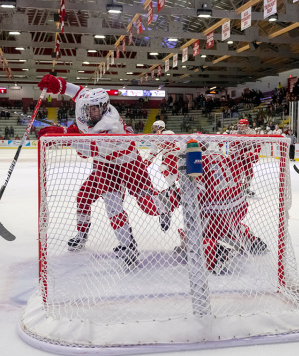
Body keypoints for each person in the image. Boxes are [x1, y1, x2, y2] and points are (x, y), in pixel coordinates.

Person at [37, 74, 178, 268]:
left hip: (128, 162)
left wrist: (64, 135)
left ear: (104, 107)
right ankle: (127, 245)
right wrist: (58, 84)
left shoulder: (109, 125)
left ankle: (171, 199)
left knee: (148, 205)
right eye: (87, 109)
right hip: (104, 165)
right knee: (108, 205)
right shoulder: (88, 103)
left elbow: (88, 151)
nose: (89, 114)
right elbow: (75, 91)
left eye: (93, 110)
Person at [175, 142, 268, 274]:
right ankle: (249, 239)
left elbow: (198, 192)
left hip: (215, 215)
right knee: (227, 225)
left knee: (192, 233)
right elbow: (239, 177)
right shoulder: (224, 156)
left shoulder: (197, 159)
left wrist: (182, 197)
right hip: (239, 208)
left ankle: (218, 254)